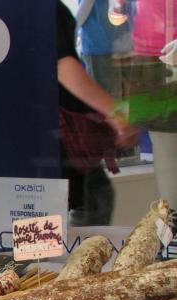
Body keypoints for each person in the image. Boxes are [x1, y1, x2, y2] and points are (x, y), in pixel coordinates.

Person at [57, 0, 139, 225]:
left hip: (60, 133)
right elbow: (62, 65)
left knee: (94, 199)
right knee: (91, 201)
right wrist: (115, 116)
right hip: (57, 135)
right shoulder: (37, 10)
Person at [124, 0, 177, 205]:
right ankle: (170, 222)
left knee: (165, 145)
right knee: (162, 143)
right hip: (149, 54)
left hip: (166, 52)